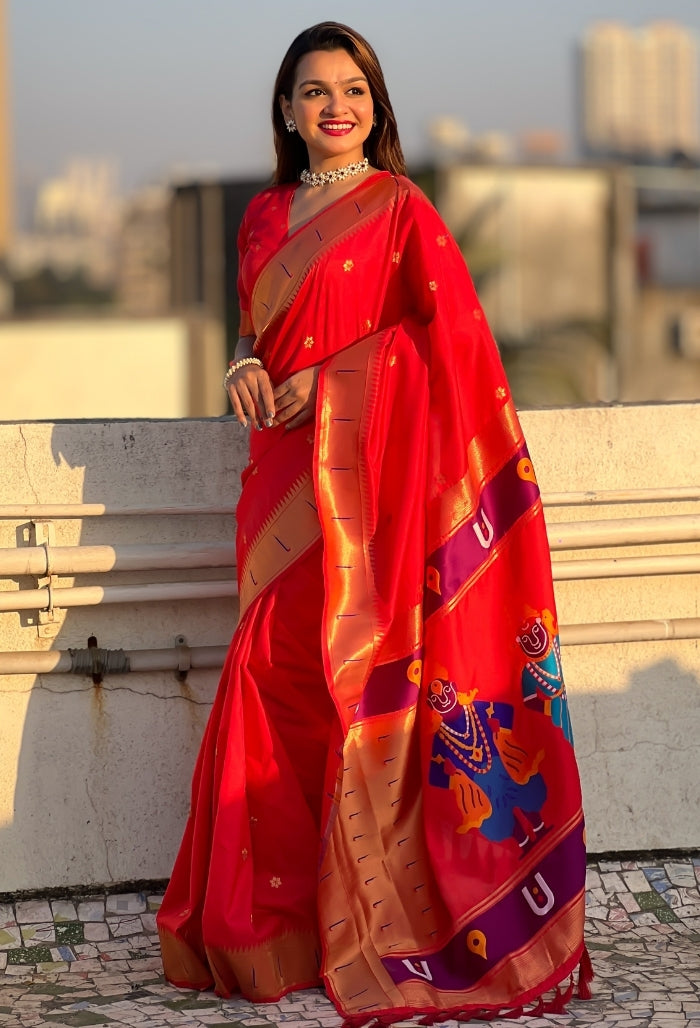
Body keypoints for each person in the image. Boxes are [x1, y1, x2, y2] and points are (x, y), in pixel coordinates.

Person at [157, 21, 592, 1026]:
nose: (334, 107)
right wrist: (244, 361)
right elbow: (255, 325)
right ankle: (270, 923)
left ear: (376, 104)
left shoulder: (401, 210)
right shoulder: (263, 214)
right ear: (285, 110)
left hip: (369, 495)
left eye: (351, 90)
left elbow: (448, 349)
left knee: (351, 684)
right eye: (313, 92)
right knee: (271, 674)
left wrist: (339, 377)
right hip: (279, 481)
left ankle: (366, 912)